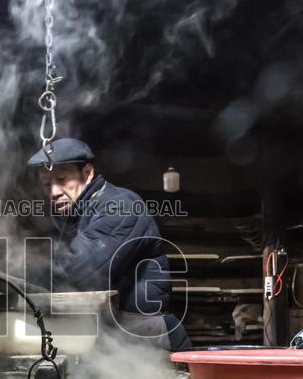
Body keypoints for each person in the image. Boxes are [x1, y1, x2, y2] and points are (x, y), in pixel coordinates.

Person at [26, 138, 192, 351]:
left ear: (87, 173)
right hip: (113, 340)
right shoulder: (76, 218)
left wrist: (8, 278)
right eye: (47, 184)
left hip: (148, 340)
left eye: (61, 179)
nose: (54, 191)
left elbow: (77, 273)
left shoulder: (120, 207)